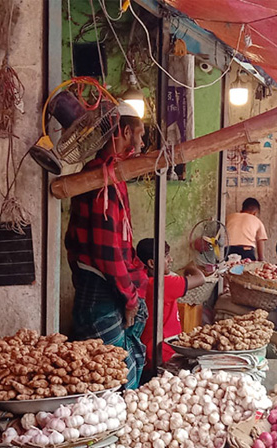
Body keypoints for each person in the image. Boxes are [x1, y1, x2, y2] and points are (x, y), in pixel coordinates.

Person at [65, 102, 148, 389]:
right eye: (140, 134)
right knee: (116, 381)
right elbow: (108, 252)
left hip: (102, 290)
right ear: (124, 132)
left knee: (124, 368)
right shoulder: (102, 180)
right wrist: (129, 299)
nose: (142, 142)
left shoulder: (111, 174)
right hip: (103, 293)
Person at [135, 239, 205, 372]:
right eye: (166, 256)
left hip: (148, 351)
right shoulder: (161, 284)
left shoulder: (143, 280)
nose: (170, 259)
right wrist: (189, 268)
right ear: (152, 263)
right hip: (164, 354)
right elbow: (200, 278)